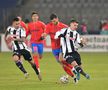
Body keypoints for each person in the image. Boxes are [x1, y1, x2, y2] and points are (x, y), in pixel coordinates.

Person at [42, 14, 78, 83]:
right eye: (52, 21)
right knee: (62, 64)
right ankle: (74, 77)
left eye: (54, 21)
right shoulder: (48, 26)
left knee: (61, 59)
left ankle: (73, 69)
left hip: (62, 46)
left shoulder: (63, 26)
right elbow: (45, 33)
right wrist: (44, 35)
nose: (53, 22)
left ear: (57, 19)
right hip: (54, 48)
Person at [26, 11, 46, 77]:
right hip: (33, 43)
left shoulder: (41, 24)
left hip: (40, 43)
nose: (35, 17)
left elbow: (46, 29)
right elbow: (27, 32)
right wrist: (23, 38)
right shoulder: (29, 25)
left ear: (38, 17)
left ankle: (40, 55)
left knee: (40, 55)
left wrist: (44, 34)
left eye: (36, 16)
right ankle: (38, 69)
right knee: (35, 54)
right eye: (33, 16)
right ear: (32, 17)